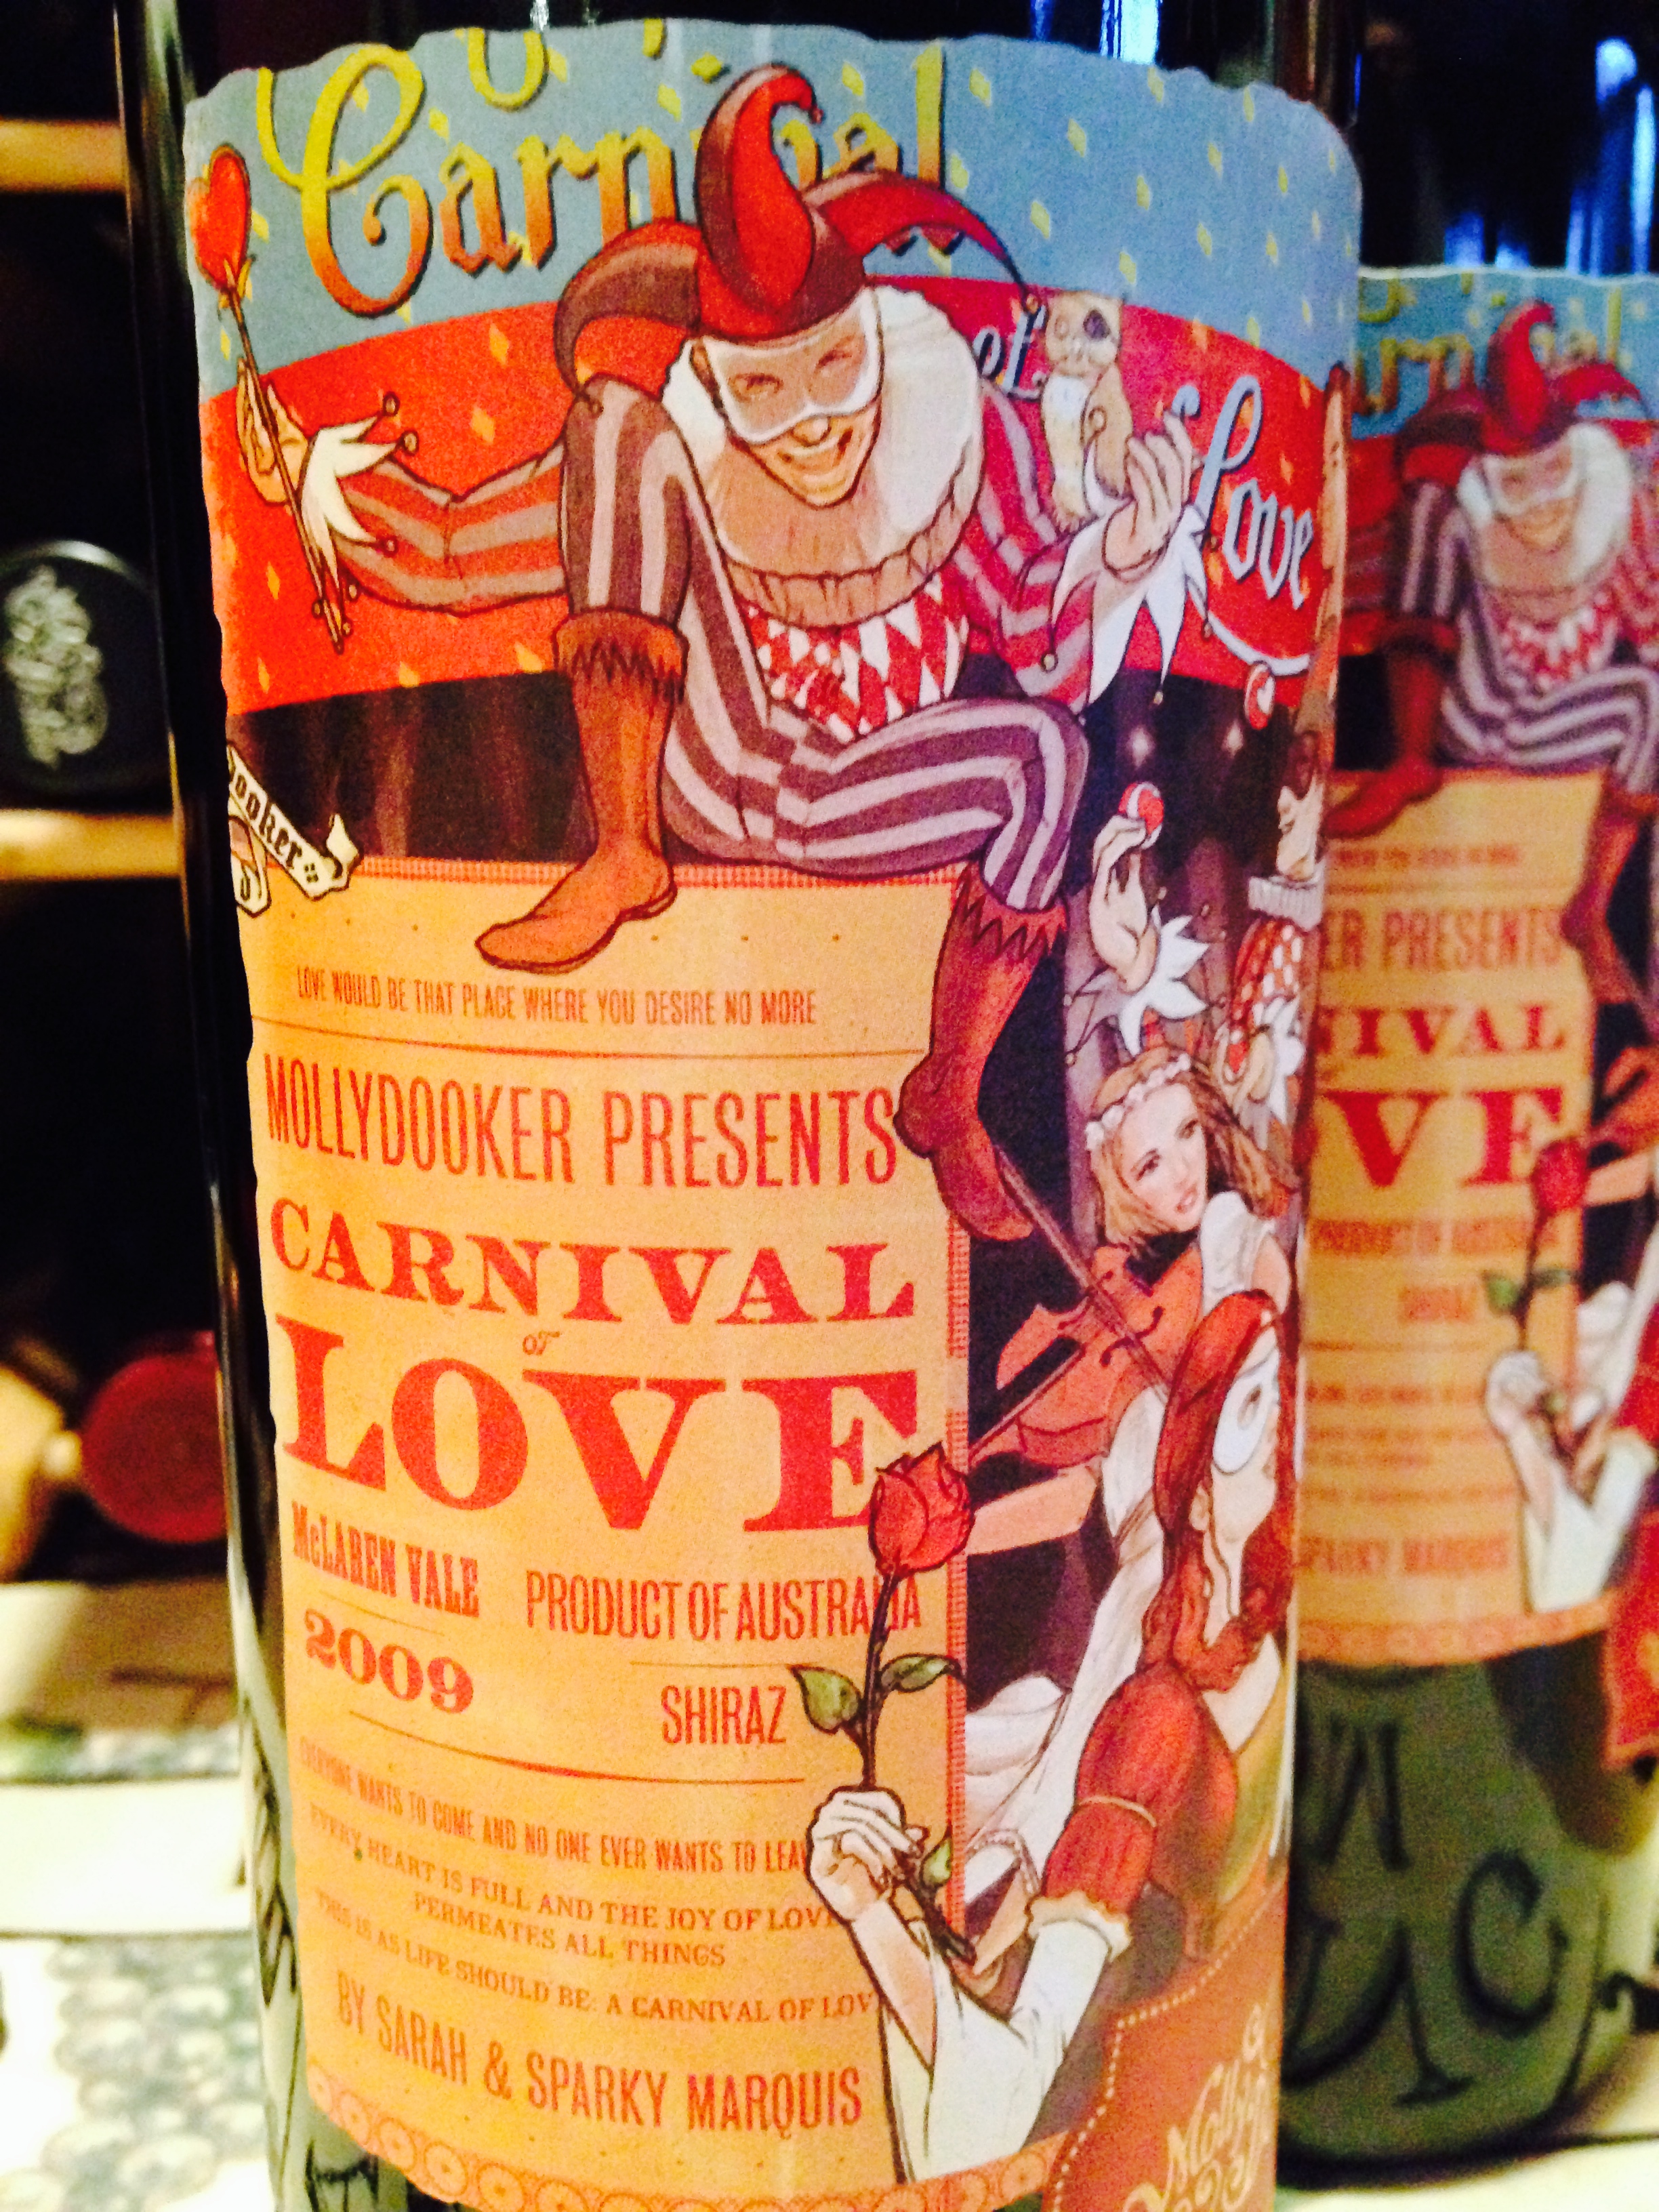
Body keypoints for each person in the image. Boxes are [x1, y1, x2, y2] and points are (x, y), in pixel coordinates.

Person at [237, 65, 1204, 1242]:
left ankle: (946, 1096)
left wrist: (1116, 556)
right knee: (612, 420)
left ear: (874, 342)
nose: (811, 422)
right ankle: (624, 849)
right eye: (764, 389)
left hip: (862, 789)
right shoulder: (675, 462)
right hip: (713, 755)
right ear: (721, 385)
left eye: (833, 369)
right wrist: (306, 473)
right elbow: (449, 555)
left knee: (1047, 754)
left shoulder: (955, 436)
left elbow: (1046, 647)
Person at [807, 1292, 1295, 2179]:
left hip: (1198, 2087)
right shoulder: (1152, 1701)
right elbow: (998, 2106)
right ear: (1195, 1466)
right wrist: (870, 1915)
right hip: (1117, 2072)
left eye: (1280, 1393)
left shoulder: (1251, 1619)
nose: (1272, 1429)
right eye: (1247, 1400)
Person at [956, 1043, 1288, 1936]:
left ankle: (1016, 1915)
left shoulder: (1233, 1249)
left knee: (1074, 1743)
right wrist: (960, 1533)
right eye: (1148, 1164)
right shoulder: (1137, 1315)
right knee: (1022, 1738)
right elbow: (1080, 1497)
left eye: (1187, 1136)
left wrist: (1205, 1377)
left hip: (1194, 1579)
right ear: (1122, 1188)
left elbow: (1265, 1334)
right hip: (1145, 1585)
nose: (1180, 1171)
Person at [1326, 303, 1656, 1006]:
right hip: (1474, 711)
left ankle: (1590, 908)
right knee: (1430, 511)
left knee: (1650, 698)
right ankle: (1410, 760)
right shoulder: (1474, 524)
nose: (1539, 501)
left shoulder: (1615, 519)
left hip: (1560, 725)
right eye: (1517, 481)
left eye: (1552, 474)